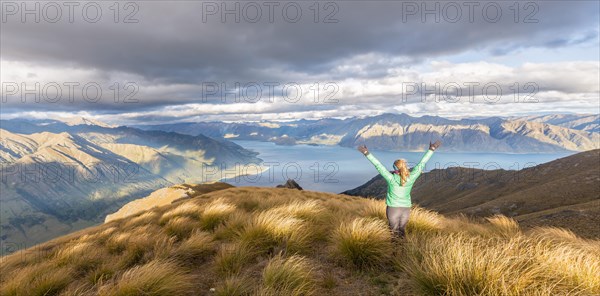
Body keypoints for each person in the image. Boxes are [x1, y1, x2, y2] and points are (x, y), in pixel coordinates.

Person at [357, 140, 441, 239]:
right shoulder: (411, 178)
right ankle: (404, 251)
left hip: (393, 209)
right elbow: (421, 164)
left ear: (394, 169)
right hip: (406, 209)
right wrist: (431, 149)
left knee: (393, 232)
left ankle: (394, 253)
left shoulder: (391, 178)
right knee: (402, 231)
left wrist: (367, 153)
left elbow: (378, 166)